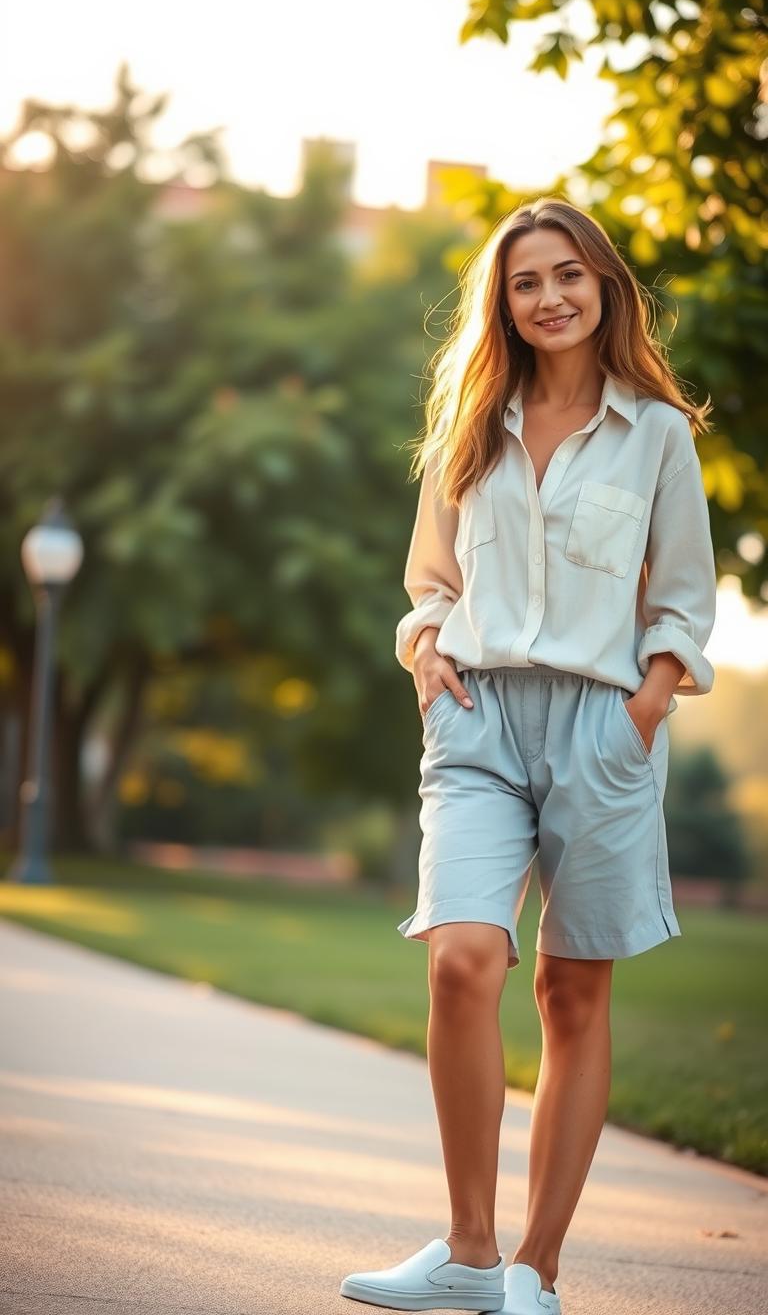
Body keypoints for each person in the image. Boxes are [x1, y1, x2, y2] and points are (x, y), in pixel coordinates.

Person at [339, 197, 718, 1315]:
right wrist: (423, 655)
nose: (548, 296)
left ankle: (534, 1269)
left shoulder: (655, 432)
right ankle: (465, 1250)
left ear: (605, 288)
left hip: (605, 727)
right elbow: (429, 578)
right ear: (500, 304)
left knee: (568, 993)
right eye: (524, 281)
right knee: (462, 957)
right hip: (479, 721)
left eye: (569, 276)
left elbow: (685, 599)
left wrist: (645, 707)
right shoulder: (471, 417)